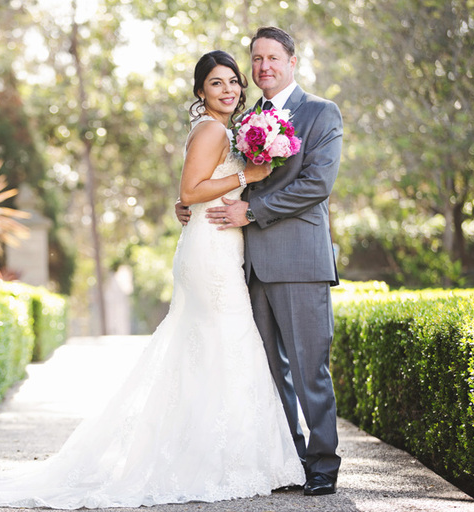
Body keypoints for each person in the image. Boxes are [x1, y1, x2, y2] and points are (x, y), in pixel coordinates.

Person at [0, 50, 305, 509]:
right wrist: (245, 173)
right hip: (210, 254)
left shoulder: (224, 130)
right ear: (200, 92)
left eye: (234, 81)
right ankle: (226, 461)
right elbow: (189, 191)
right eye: (216, 83)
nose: (229, 90)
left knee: (212, 346)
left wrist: (236, 179)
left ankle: (214, 454)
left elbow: (194, 193)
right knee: (227, 340)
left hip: (216, 243)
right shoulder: (212, 129)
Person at [176, 27, 343, 496]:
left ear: (291, 61)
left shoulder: (320, 113)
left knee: (310, 369)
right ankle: (288, 462)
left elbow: (316, 185)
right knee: (267, 373)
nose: (263, 66)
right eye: (256, 58)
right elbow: (213, 175)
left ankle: (323, 464)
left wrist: (251, 211)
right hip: (245, 265)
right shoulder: (242, 119)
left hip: (299, 261)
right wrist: (186, 205)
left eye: (272, 57)